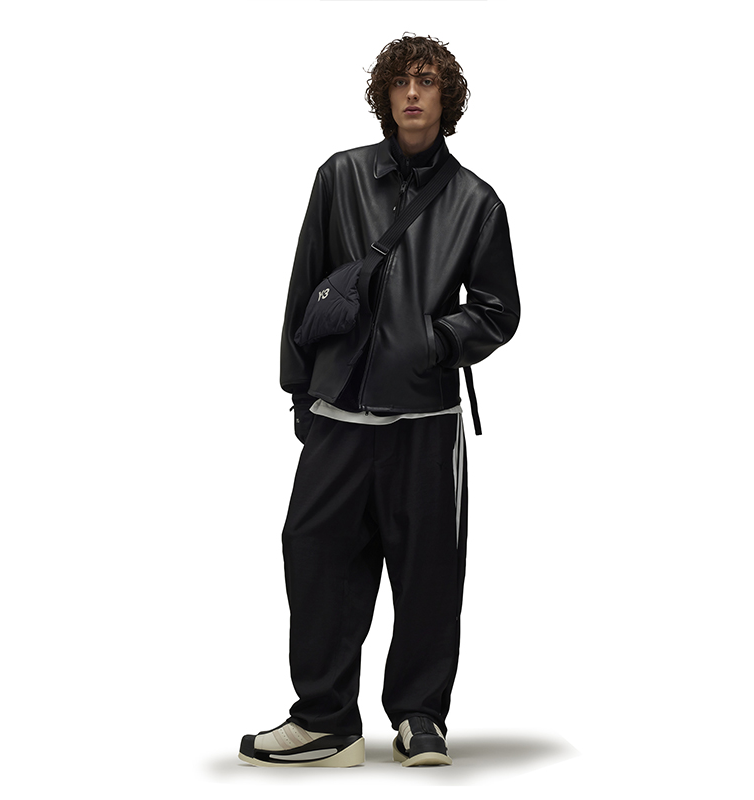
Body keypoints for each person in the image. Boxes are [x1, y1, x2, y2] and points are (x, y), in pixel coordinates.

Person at [238, 34, 520, 769]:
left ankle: (420, 717)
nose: (413, 94)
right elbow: (306, 286)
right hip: (336, 414)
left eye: (427, 82)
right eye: (400, 82)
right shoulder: (340, 176)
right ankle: (326, 721)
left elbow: (498, 310)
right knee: (314, 555)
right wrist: (299, 389)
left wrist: (431, 341)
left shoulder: (475, 201)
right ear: (385, 96)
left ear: (447, 98)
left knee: (428, 573)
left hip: (425, 422)